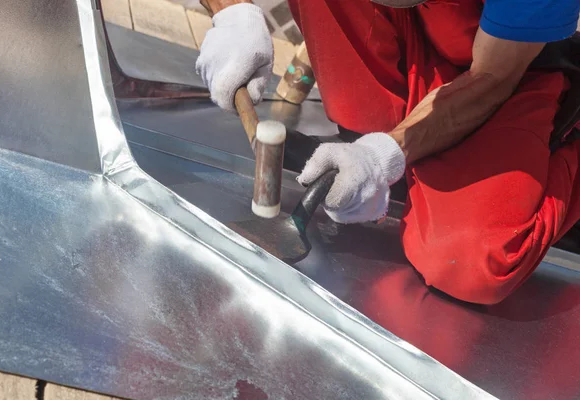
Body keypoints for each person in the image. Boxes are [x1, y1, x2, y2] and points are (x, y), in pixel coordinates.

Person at [195, 0, 580, 304]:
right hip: (431, 38)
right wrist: (232, 14)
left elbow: (493, 77)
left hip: (512, 67)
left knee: (467, 261)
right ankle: (386, 146)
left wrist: (384, 155)